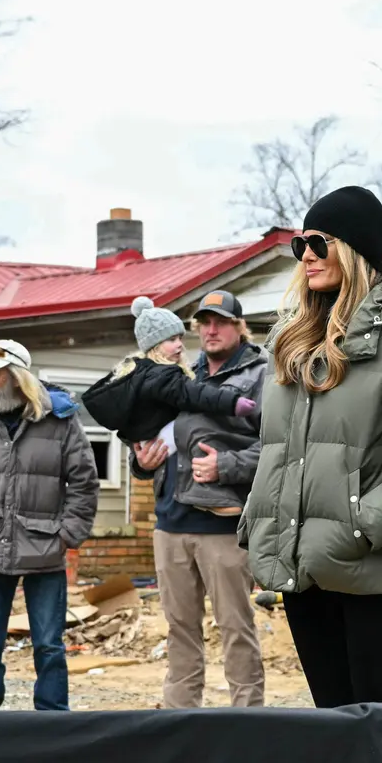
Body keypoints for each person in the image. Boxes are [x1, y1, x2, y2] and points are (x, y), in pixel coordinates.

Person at [241, 185, 382, 706]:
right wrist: (260, 524)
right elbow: (278, 450)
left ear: (355, 249)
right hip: (303, 569)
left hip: (373, 571)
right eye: (300, 245)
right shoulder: (292, 340)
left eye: (319, 242)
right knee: (333, 728)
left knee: (379, 733)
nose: (307, 255)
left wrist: (360, 526)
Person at [129, 292, 269, 708]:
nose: (211, 330)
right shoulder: (180, 374)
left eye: (221, 322)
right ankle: (182, 721)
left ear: (239, 327)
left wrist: (226, 465)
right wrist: (141, 462)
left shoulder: (262, 375)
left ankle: (248, 722)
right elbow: (150, 434)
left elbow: (281, 446)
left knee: (235, 627)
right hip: (170, 525)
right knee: (179, 629)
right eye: (204, 322)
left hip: (223, 526)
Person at [0, 339, 99, 711]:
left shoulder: (60, 420)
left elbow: (84, 481)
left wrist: (68, 534)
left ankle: (52, 720)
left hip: (45, 549)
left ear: (17, 376)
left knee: (49, 646)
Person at [83, 296, 259, 442]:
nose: (180, 345)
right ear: (155, 346)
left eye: (222, 322)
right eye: (172, 339)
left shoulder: (139, 373)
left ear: (240, 327)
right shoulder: (162, 375)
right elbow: (194, 393)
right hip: (168, 455)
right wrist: (233, 402)